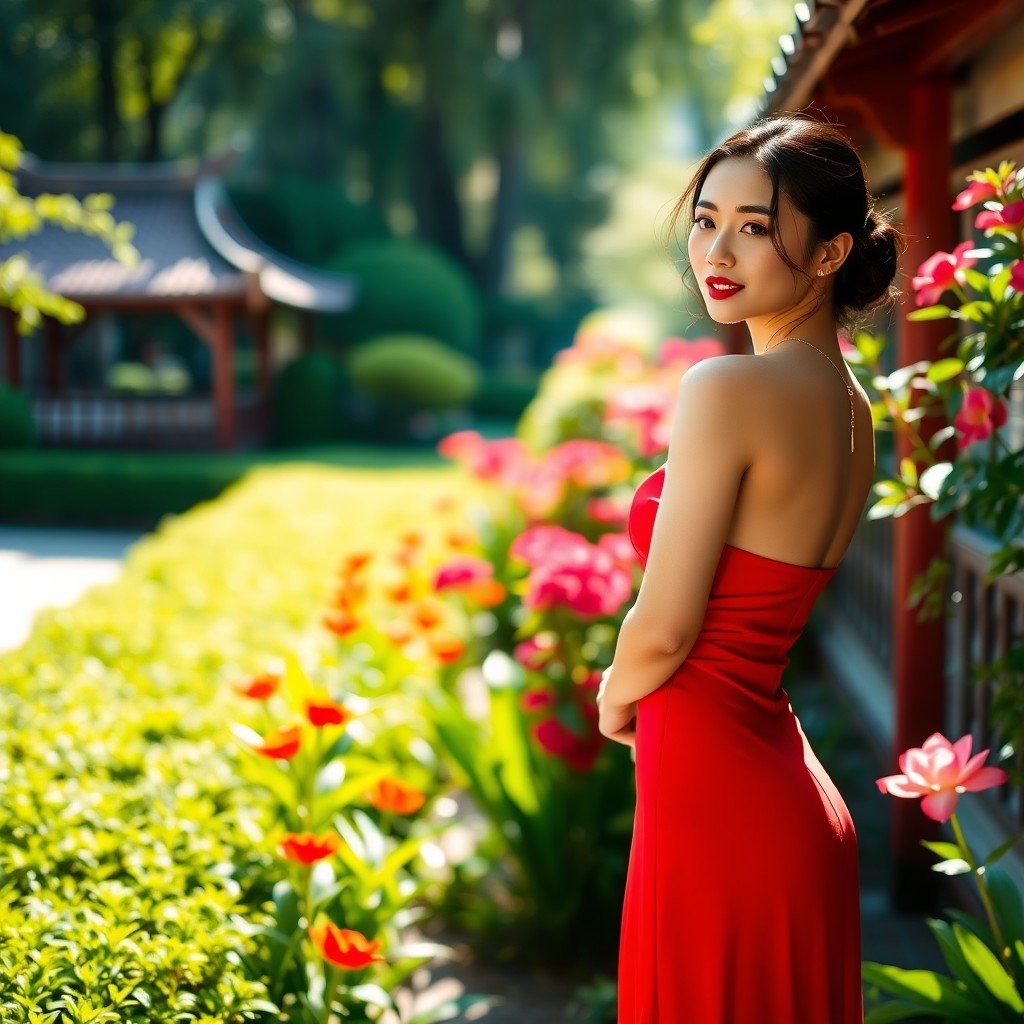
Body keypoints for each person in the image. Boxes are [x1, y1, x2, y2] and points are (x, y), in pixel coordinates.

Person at [596, 112, 903, 1022]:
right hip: (784, 793)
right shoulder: (856, 413)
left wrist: (616, 695)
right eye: (704, 218)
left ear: (829, 251)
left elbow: (667, 626)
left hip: (717, 794)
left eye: (756, 226)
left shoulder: (725, 389)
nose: (716, 249)